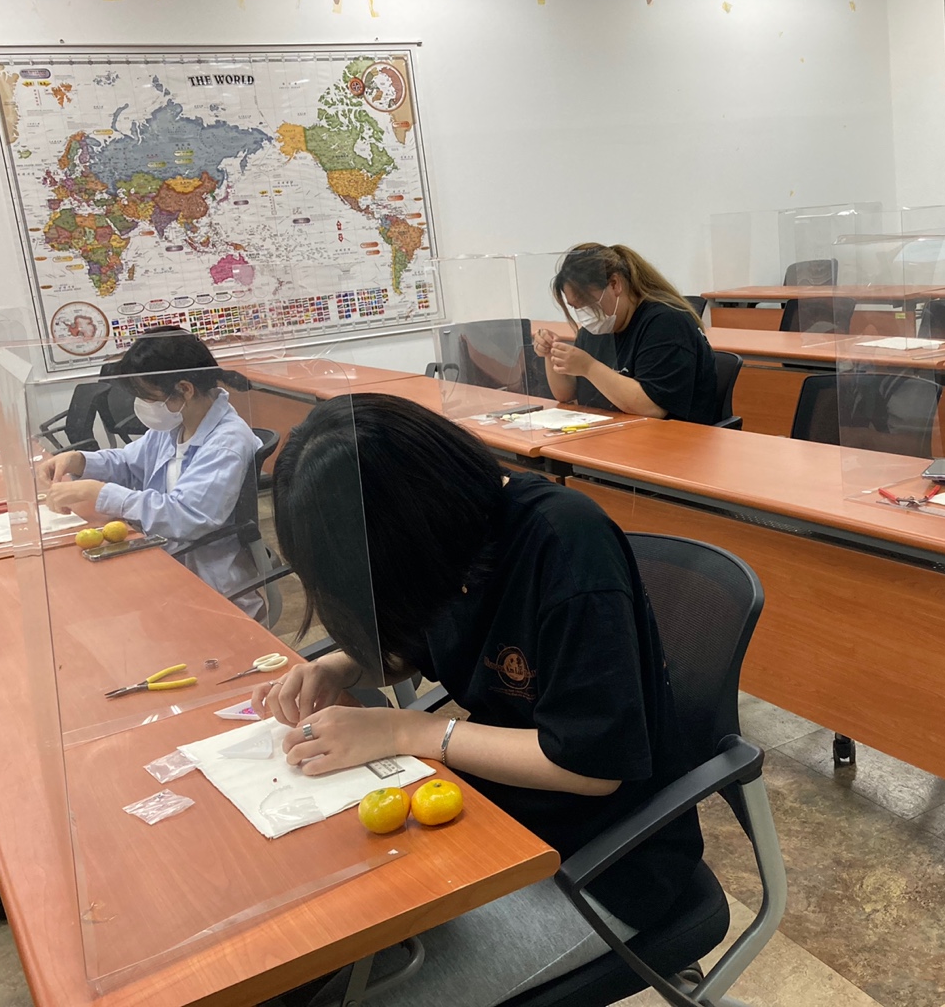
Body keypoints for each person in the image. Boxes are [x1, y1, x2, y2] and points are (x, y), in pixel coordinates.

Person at [252, 394, 702, 1007]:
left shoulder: (563, 545)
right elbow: (422, 637)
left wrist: (407, 732)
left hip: (603, 860)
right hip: (499, 818)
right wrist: (339, 663)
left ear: (414, 531)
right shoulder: (450, 542)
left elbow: (591, 766)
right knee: (297, 952)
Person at [38, 326, 265, 618]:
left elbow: (186, 516)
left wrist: (101, 494)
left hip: (209, 585)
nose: (144, 406)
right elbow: (128, 462)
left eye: (149, 397)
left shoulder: (227, 443)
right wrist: (79, 460)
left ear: (185, 389)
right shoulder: (175, 426)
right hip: (169, 559)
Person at [532, 243, 719, 424]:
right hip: (616, 432)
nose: (583, 313)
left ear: (614, 284)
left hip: (675, 436)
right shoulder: (596, 329)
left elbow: (652, 407)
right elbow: (567, 394)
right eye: (576, 307)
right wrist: (551, 354)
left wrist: (589, 367)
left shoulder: (666, 322)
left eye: (586, 302)